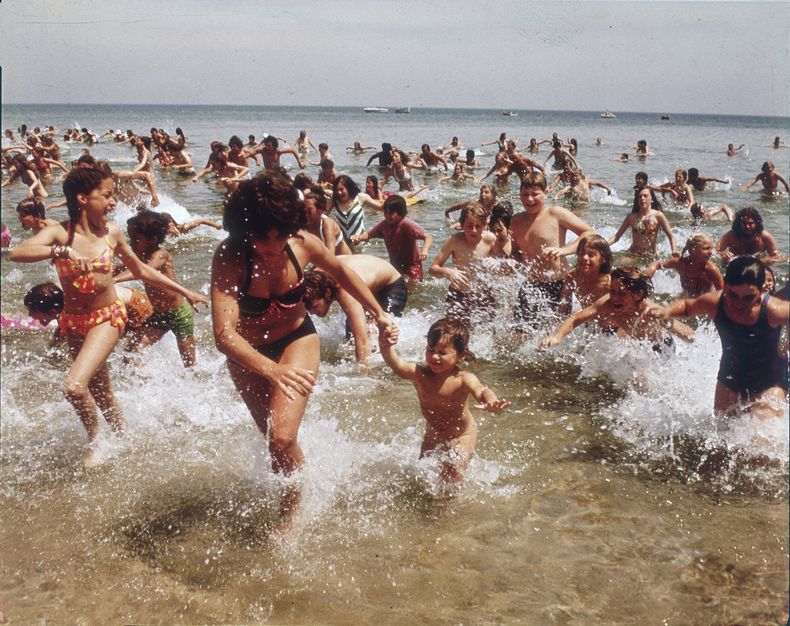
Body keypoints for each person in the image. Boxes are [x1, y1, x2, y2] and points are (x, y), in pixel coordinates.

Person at [210, 172, 397, 532]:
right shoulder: (230, 255)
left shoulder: (303, 243)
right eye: (265, 239)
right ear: (245, 229)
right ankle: (298, 484)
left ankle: (289, 518)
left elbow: (342, 273)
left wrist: (379, 312)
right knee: (275, 442)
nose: (275, 246)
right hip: (247, 355)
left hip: (296, 339)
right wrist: (271, 370)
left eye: (282, 236)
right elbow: (223, 336)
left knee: (281, 437)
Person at [8, 166, 207, 466]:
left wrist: (185, 291)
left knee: (74, 387)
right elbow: (17, 253)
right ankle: (123, 435)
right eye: (107, 194)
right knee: (101, 391)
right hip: (74, 321)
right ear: (83, 198)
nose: (114, 201)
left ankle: (96, 441)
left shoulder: (111, 233)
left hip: (107, 317)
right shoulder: (60, 232)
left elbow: (142, 271)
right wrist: (62, 252)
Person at [644, 256, 789, 420]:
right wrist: (666, 311)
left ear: (761, 290)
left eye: (748, 297)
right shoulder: (715, 303)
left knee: (761, 440)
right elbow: (687, 306)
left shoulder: (774, 310)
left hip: (771, 380)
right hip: (731, 375)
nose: (739, 304)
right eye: (732, 295)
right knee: (722, 431)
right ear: (725, 285)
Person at [378, 317, 509, 482]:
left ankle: (449, 506)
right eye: (430, 350)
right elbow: (397, 365)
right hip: (433, 436)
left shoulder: (463, 378)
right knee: (421, 477)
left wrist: (491, 400)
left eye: (442, 352)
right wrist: (385, 346)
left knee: (452, 473)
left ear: (461, 355)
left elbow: (482, 390)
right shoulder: (419, 374)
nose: (434, 357)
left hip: (463, 435)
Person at [510, 172, 594, 327]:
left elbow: (589, 234)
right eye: (525, 194)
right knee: (518, 333)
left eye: (535, 194)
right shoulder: (515, 221)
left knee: (553, 334)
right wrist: (513, 261)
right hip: (531, 284)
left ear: (546, 193)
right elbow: (515, 251)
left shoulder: (555, 213)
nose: (529, 199)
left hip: (559, 284)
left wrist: (566, 250)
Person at [119, 212, 199, 367]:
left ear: (153, 240)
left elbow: (144, 271)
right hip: (159, 315)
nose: (131, 243)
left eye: (136, 239)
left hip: (180, 315)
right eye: (130, 238)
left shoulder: (161, 255)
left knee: (189, 365)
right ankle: (141, 384)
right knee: (131, 353)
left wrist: (115, 279)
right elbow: (122, 267)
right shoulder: (140, 254)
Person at [540, 267, 681, 351]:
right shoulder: (607, 303)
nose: (615, 297)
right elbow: (576, 318)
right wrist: (556, 336)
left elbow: (678, 327)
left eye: (621, 293)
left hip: (662, 347)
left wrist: (692, 340)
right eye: (612, 291)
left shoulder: (651, 310)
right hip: (640, 347)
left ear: (637, 295)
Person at [303, 254, 407, 362]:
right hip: (367, 281)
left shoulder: (344, 289)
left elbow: (362, 340)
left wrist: (362, 374)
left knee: (372, 330)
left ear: (328, 293)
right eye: (308, 308)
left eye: (315, 306)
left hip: (391, 286)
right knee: (350, 335)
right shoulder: (312, 282)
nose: (312, 313)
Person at [430, 202, 497, 324]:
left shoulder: (490, 240)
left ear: (485, 225)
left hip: (483, 295)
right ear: (461, 225)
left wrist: (496, 262)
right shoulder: (455, 240)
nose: (474, 230)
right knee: (453, 332)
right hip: (458, 294)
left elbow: (508, 263)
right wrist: (447, 271)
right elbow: (433, 269)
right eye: (469, 226)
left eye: (478, 226)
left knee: (487, 335)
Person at [351, 195, 433, 281]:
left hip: (413, 268)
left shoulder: (407, 224)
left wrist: (424, 250)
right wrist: (358, 237)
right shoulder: (384, 225)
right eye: (385, 212)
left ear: (401, 213)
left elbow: (428, 236)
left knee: (409, 288)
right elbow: (369, 234)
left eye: (390, 213)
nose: (387, 216)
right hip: (395, 267)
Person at [645, 234, 724, 297]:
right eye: (706, 248)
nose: (710, 252)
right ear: (692, 249)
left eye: (711, 248)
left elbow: (722, 294)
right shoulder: (681, 263)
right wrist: (648, 272)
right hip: (685, 299)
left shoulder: (711, 269)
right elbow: (657, 264)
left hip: (704, 303)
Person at [608, 187, 678, 258]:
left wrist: (674, 251)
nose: (642, 198)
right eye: (640, 196)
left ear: (652, 199)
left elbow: (671, 236)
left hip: (651, 256)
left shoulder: (658, 216)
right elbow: (617, 236)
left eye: (645, 196)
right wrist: (603, 245)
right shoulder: (631, 217)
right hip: (633, 254)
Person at [558, 234, 612, 316]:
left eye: (591, 255)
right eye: (581, 253)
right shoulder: (572, 277)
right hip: (588, 324)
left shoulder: (609, 284)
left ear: (603, 259)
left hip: (611, 327)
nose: (584, 258)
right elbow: (563, 309)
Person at [331, 175, 383, 250]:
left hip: (361, 244)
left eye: (341, 189)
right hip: (344, 246)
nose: (339, 192)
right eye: (336, 190)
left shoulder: (361, 198)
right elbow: (323, 213)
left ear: (348, 188)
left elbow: (381, 207)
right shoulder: (334, 200)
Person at [716, 207, 780, 264]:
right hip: (736, 265)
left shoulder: (764, 237)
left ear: (756, 223)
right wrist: (724, 255)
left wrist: (762, 261)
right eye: (744, 223)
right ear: (739, 223)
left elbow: (776, 256)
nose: (747, 226)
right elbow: (715, 251)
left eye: (750, 223)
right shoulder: (731, 235)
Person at [303, 184, 350, 256]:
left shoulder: (327, 224)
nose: (305, 213)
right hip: (326, 262)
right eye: (304, 209)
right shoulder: (305, 225)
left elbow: (330, 255)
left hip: (345, 261)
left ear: (321, 210)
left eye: (309, 210)